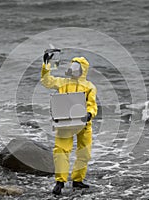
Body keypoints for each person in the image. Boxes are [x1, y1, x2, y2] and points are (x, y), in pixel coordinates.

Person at [41, 52, 98, 195]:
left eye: (76, 66)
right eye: (73, 66)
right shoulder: (63, 82)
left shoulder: (90, 86)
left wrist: (90, 114)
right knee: (60, 151)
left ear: (82, 70)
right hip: (65, 122)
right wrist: (46, 64)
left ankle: (78, 180)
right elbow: (47, 81)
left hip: (84, 123)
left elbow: (92, 104)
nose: (73, 68)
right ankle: (60, 182)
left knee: (84, 153)